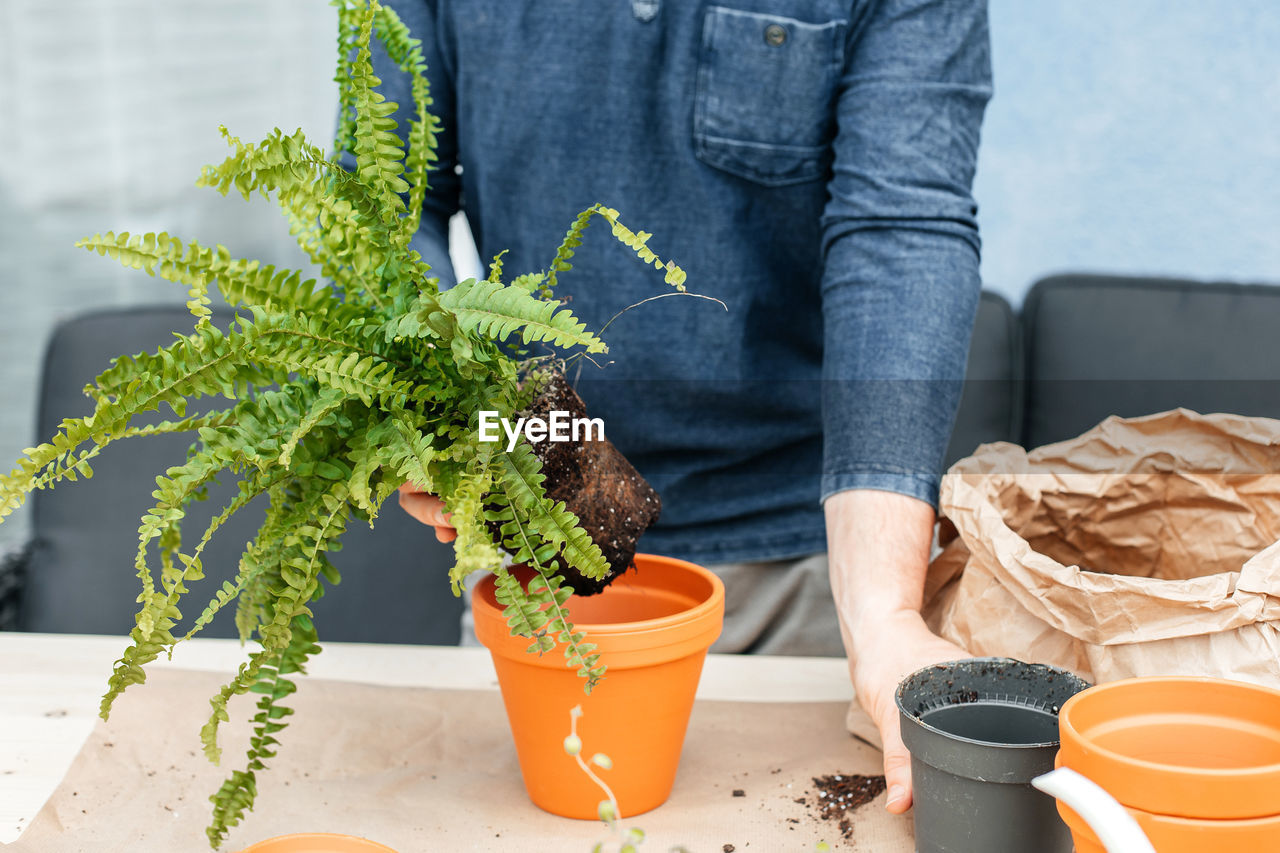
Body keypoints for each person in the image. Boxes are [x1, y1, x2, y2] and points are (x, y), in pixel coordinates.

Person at [382, 0, 992, 814]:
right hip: (543, 536)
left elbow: (900, 226)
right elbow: (380, 207)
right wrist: (441, 393)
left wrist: (882, 616)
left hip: (807, 566)